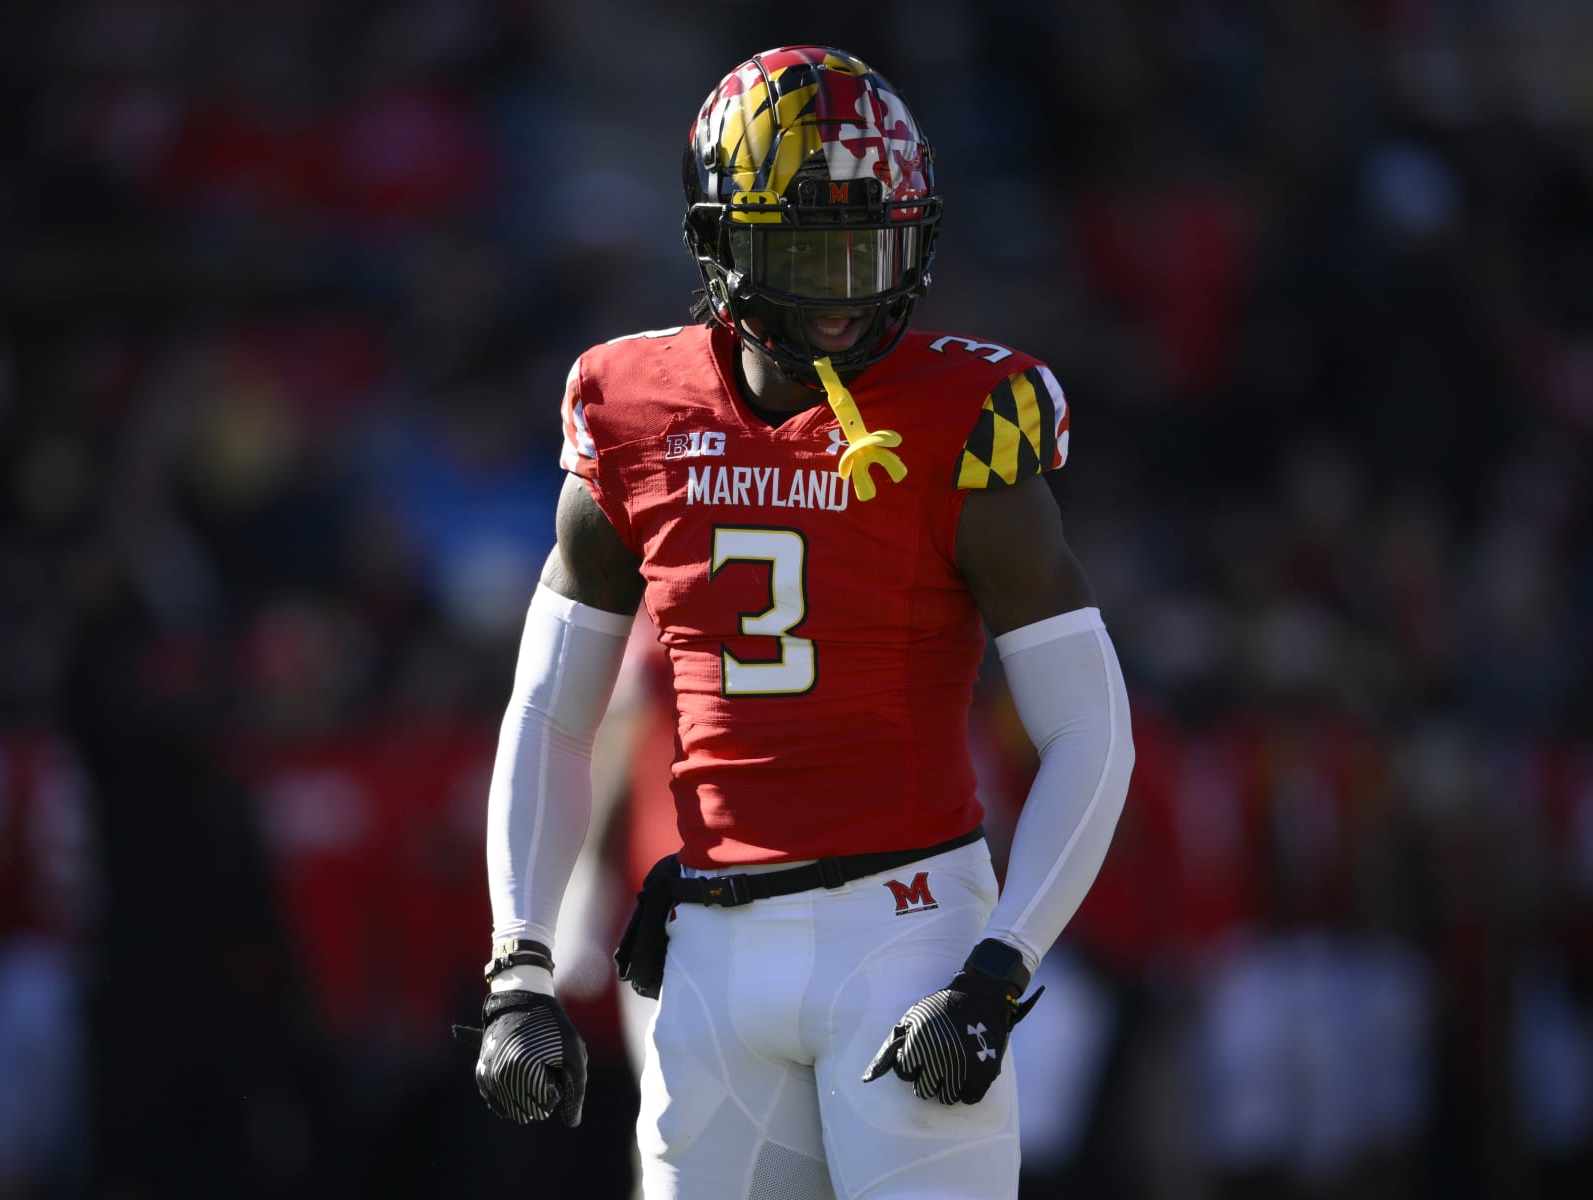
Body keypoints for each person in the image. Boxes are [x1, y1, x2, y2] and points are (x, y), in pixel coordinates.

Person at [463, 45, 1135, 1199]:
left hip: (908, 931)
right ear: (721, 244)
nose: (844, 294)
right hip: (713, 948)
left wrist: (999, 967)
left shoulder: (962, 420)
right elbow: (550, 709)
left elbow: (1092, 728)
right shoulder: (635, 410)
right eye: (810, 253)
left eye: (870, 250)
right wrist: (520, 961)